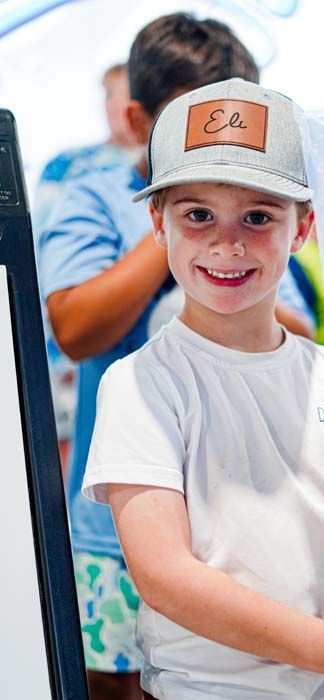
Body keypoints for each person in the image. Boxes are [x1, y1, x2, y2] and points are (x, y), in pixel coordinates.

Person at [82, 77, 324, 700]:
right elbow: (164, 576)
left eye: (259, 216)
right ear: (158, 225)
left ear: (302, 228)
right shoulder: (143, 383)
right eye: (198, 215)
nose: (228, 243)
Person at [39, 15, 313, 700]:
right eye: (190, 125)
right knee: (106, 698)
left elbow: (297, 335)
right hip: (113, 521)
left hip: (240, 510)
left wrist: (227, 248)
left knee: (218, 698)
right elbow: (75, 326)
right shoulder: (98, 197)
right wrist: (173, 224)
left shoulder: (256, 219)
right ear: (137, 121)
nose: (219, 147)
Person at [34, 63, 138, 476]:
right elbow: (42, 251)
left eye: (124, 94)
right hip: (68, 332)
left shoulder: (170, 167)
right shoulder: (69, 165)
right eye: (108, 95)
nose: (115, 106)